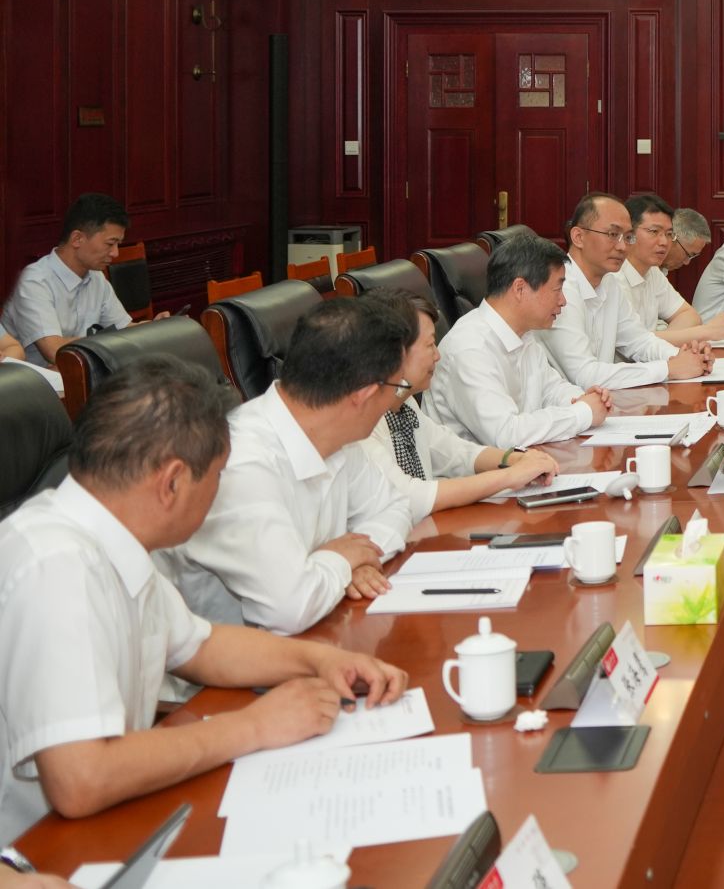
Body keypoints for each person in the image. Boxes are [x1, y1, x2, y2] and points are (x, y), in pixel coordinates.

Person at [0, 358, 408, 848]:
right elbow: (81, 778)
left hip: (112, 820)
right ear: (172, 482)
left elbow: (201, 646)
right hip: (41, 852)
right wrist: (256, 725)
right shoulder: (56, 565)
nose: (219, 493)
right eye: (217, 476)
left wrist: (321, 660)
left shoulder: (107, 538)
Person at [159, 301, 416, 633]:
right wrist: (340, 561)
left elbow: (394, 507)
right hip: (233, 657)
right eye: (397, 387)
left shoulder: (336, 434)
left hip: (318, 629)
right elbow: (288, 608)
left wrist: (353, 561)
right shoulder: (240, 461)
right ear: (364, 395)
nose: (397, 399)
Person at [358, 291, 558, 523]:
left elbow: (454, 451)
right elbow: (410, 496)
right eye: (430, 345)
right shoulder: (361, 421)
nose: (437, 355)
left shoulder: (404, 403)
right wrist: (509, 477)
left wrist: (513, 459)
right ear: (395, 354)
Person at [427, 232, 613, 449]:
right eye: (557, 290)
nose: (563, 301)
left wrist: (583, 399)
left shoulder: (524, 333)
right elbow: (505, 434)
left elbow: (551, 389)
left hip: (526, 459)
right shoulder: (470, 348)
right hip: (480, 468)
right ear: (520, 288)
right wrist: (582, 413)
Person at [539, 193, 706, 388]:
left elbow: (639, 341)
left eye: (628, 237)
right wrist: (668, 368)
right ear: (578, 237)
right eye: (612, 234)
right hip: (570, 403)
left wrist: (685, 357)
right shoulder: (560, 288)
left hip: (604, 399)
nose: (622, 246)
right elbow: (584, 374)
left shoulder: (608, 282)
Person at [1, 194, 138, 367]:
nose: (115, 253)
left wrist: (157, 327)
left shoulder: (96, 277)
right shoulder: (34, 281)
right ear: (77, 239)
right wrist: (111, 341)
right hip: (42, 380)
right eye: (110, 244)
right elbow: (55, 351)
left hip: (85, 371)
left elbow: (124, 328)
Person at [619, 195, 724, 343]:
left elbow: (689, 315)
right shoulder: (613, 277)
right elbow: (633, 342)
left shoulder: (653, 272)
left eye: (669, 234)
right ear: (629, 234)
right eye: (654, 231)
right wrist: (706, 332)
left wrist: (661, 343)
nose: (664, 242)